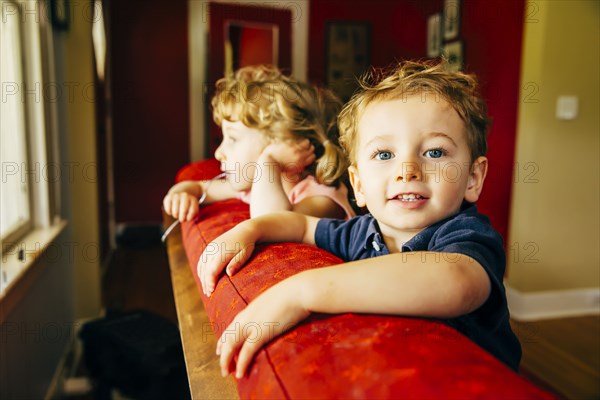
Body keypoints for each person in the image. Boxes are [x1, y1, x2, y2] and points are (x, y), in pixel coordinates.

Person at [199, 60, 522, 378]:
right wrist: (250, 229)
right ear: (358, 185)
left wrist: (300, 292)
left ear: (473, 178)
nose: (407, 170)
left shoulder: (467, 235)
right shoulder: (359, 231)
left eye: (435, 153)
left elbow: (456, 282)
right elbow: (299, 225)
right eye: (384, 155)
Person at [162, 65, 355, 221]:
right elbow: (198, 188)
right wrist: (181, 194)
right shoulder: (254, 186)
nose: (218, 153)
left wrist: (268, 161)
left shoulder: (323, 197)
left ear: (286, 144)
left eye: (233, 139)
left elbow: (269, 222)